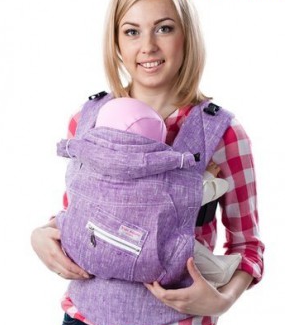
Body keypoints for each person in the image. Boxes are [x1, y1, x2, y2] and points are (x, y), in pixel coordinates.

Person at [31, 0, 265, 325]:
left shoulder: (220, 133)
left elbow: (249, 245)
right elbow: (83, 215)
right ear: (117, 42)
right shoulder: (88, 119)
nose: (148, 46)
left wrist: (222, 300)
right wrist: (41, 235)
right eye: (132, 31)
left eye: (164, 27)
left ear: (186, 36)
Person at [88, 95, 242, 288]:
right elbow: (191, 196)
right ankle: (220, 270)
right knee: (183, 250)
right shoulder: (156, 185)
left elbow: (74, 209)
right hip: (153, 250)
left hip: (102, 246)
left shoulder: (89, 125)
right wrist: (212, 179)